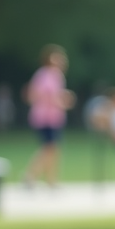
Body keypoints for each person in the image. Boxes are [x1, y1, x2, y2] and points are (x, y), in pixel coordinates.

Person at [22, 44, 76, 188]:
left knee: (54, 149)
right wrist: (59, 101)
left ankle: (51, 180)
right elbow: (36, 95)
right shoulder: (44, 74)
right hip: (44, 117)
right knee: (48, 148)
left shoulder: (57, 76)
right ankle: (30, 176)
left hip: (54, 118)